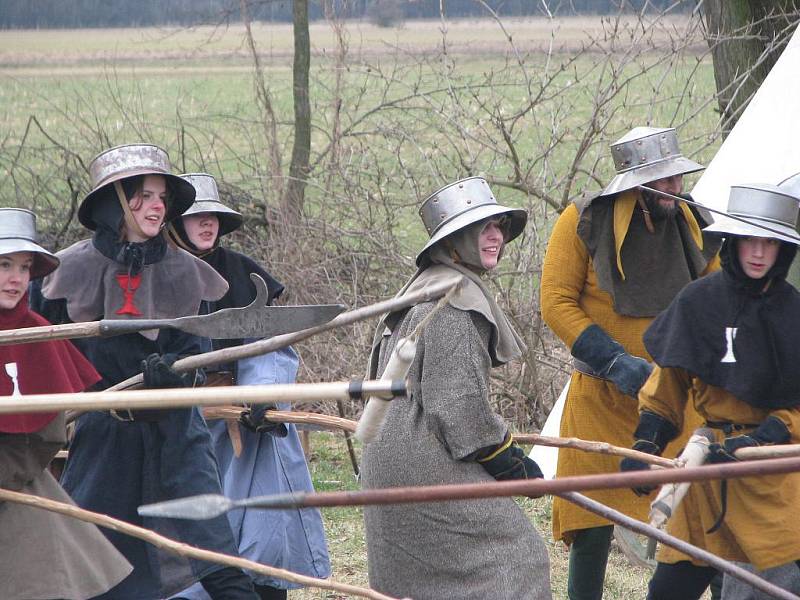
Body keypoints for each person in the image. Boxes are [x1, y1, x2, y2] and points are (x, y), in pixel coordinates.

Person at [31, 144, 259, 600]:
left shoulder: (189, 273)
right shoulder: (64, 273)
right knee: (97, 558)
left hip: (178, 432)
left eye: (162, 198)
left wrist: (178, 378)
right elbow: (45, 356)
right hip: (102, 435)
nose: (159, 207)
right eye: (146, 196)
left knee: (211, 555)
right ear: (116, 199)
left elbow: (199, 354)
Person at [539, 126, 721, 600]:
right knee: (592, 521)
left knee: (702, 520)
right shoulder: (581, 220)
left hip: (676, 404)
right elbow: (556, 302)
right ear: (634, 185)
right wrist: (615, 360)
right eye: (660, 181)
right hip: (599, 399)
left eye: (675, 178)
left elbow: (718, 301)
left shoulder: (696, 222)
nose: (672, 188)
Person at [361, 176, 552, 600]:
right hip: (421, 463)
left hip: (388, 462)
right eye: (482, 228)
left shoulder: (425, 286)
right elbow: (456, 404)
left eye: (499, 226)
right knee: (518, 560)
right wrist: (502, 456)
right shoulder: (453, 304)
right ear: (455, 241)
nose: (496, 236)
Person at [620, 183, 800, 600]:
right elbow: (668, 385)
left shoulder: (795, 314)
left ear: (782, 250)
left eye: (768, 243)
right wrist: (646, 441)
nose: (758, 253)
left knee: (773, 584)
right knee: (669, 590)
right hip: (703, 473)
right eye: (749, 240)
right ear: (732, 241)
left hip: (769, 478)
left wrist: (763, 437)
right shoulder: (697, 301)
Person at [166, 173, 330, 600]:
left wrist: (262, 399)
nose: (207, 224)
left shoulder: (240, 272)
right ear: (174, 223)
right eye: (196, 216)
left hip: (246, 416)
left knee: (262, 517)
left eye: (213, 217)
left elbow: (271, 348)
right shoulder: (158, 274)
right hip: (177, 417)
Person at [0, 207, 133, 599]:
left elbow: (45, 436)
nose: (15, 279)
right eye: (4, 265)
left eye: (24, 268)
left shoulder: (38, 333)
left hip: (18, 491)